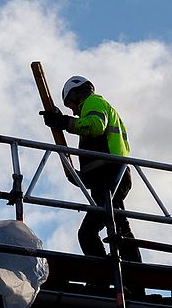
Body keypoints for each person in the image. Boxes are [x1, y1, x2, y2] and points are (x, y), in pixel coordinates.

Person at [40, 75, 142, 264]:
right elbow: (93, 161)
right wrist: (78, 177)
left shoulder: (93, 102)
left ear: (77, 94)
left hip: (111, 177)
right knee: (113, 229)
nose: (75, 112)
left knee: (97, 232)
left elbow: (95, 126)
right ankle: (127, 283)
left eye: (71, 105)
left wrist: (63, 122)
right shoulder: (92, 109)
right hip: (108, 177)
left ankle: (114, 280)